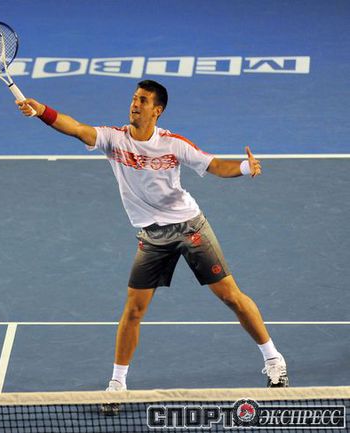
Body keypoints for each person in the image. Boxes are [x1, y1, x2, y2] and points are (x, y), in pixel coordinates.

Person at [16, 80, 289, 391]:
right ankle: (117, 384)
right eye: (134, 98)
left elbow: (212, 164)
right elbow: (77, 128)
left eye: (143, 100)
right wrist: (42, 111)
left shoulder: (173, 144)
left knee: (230, 296)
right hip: (152, 237)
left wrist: (244, 167)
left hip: (189, 228)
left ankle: (273, 359)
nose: (135, 104)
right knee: (133, 310)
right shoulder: (114, 139)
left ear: (157, 111)